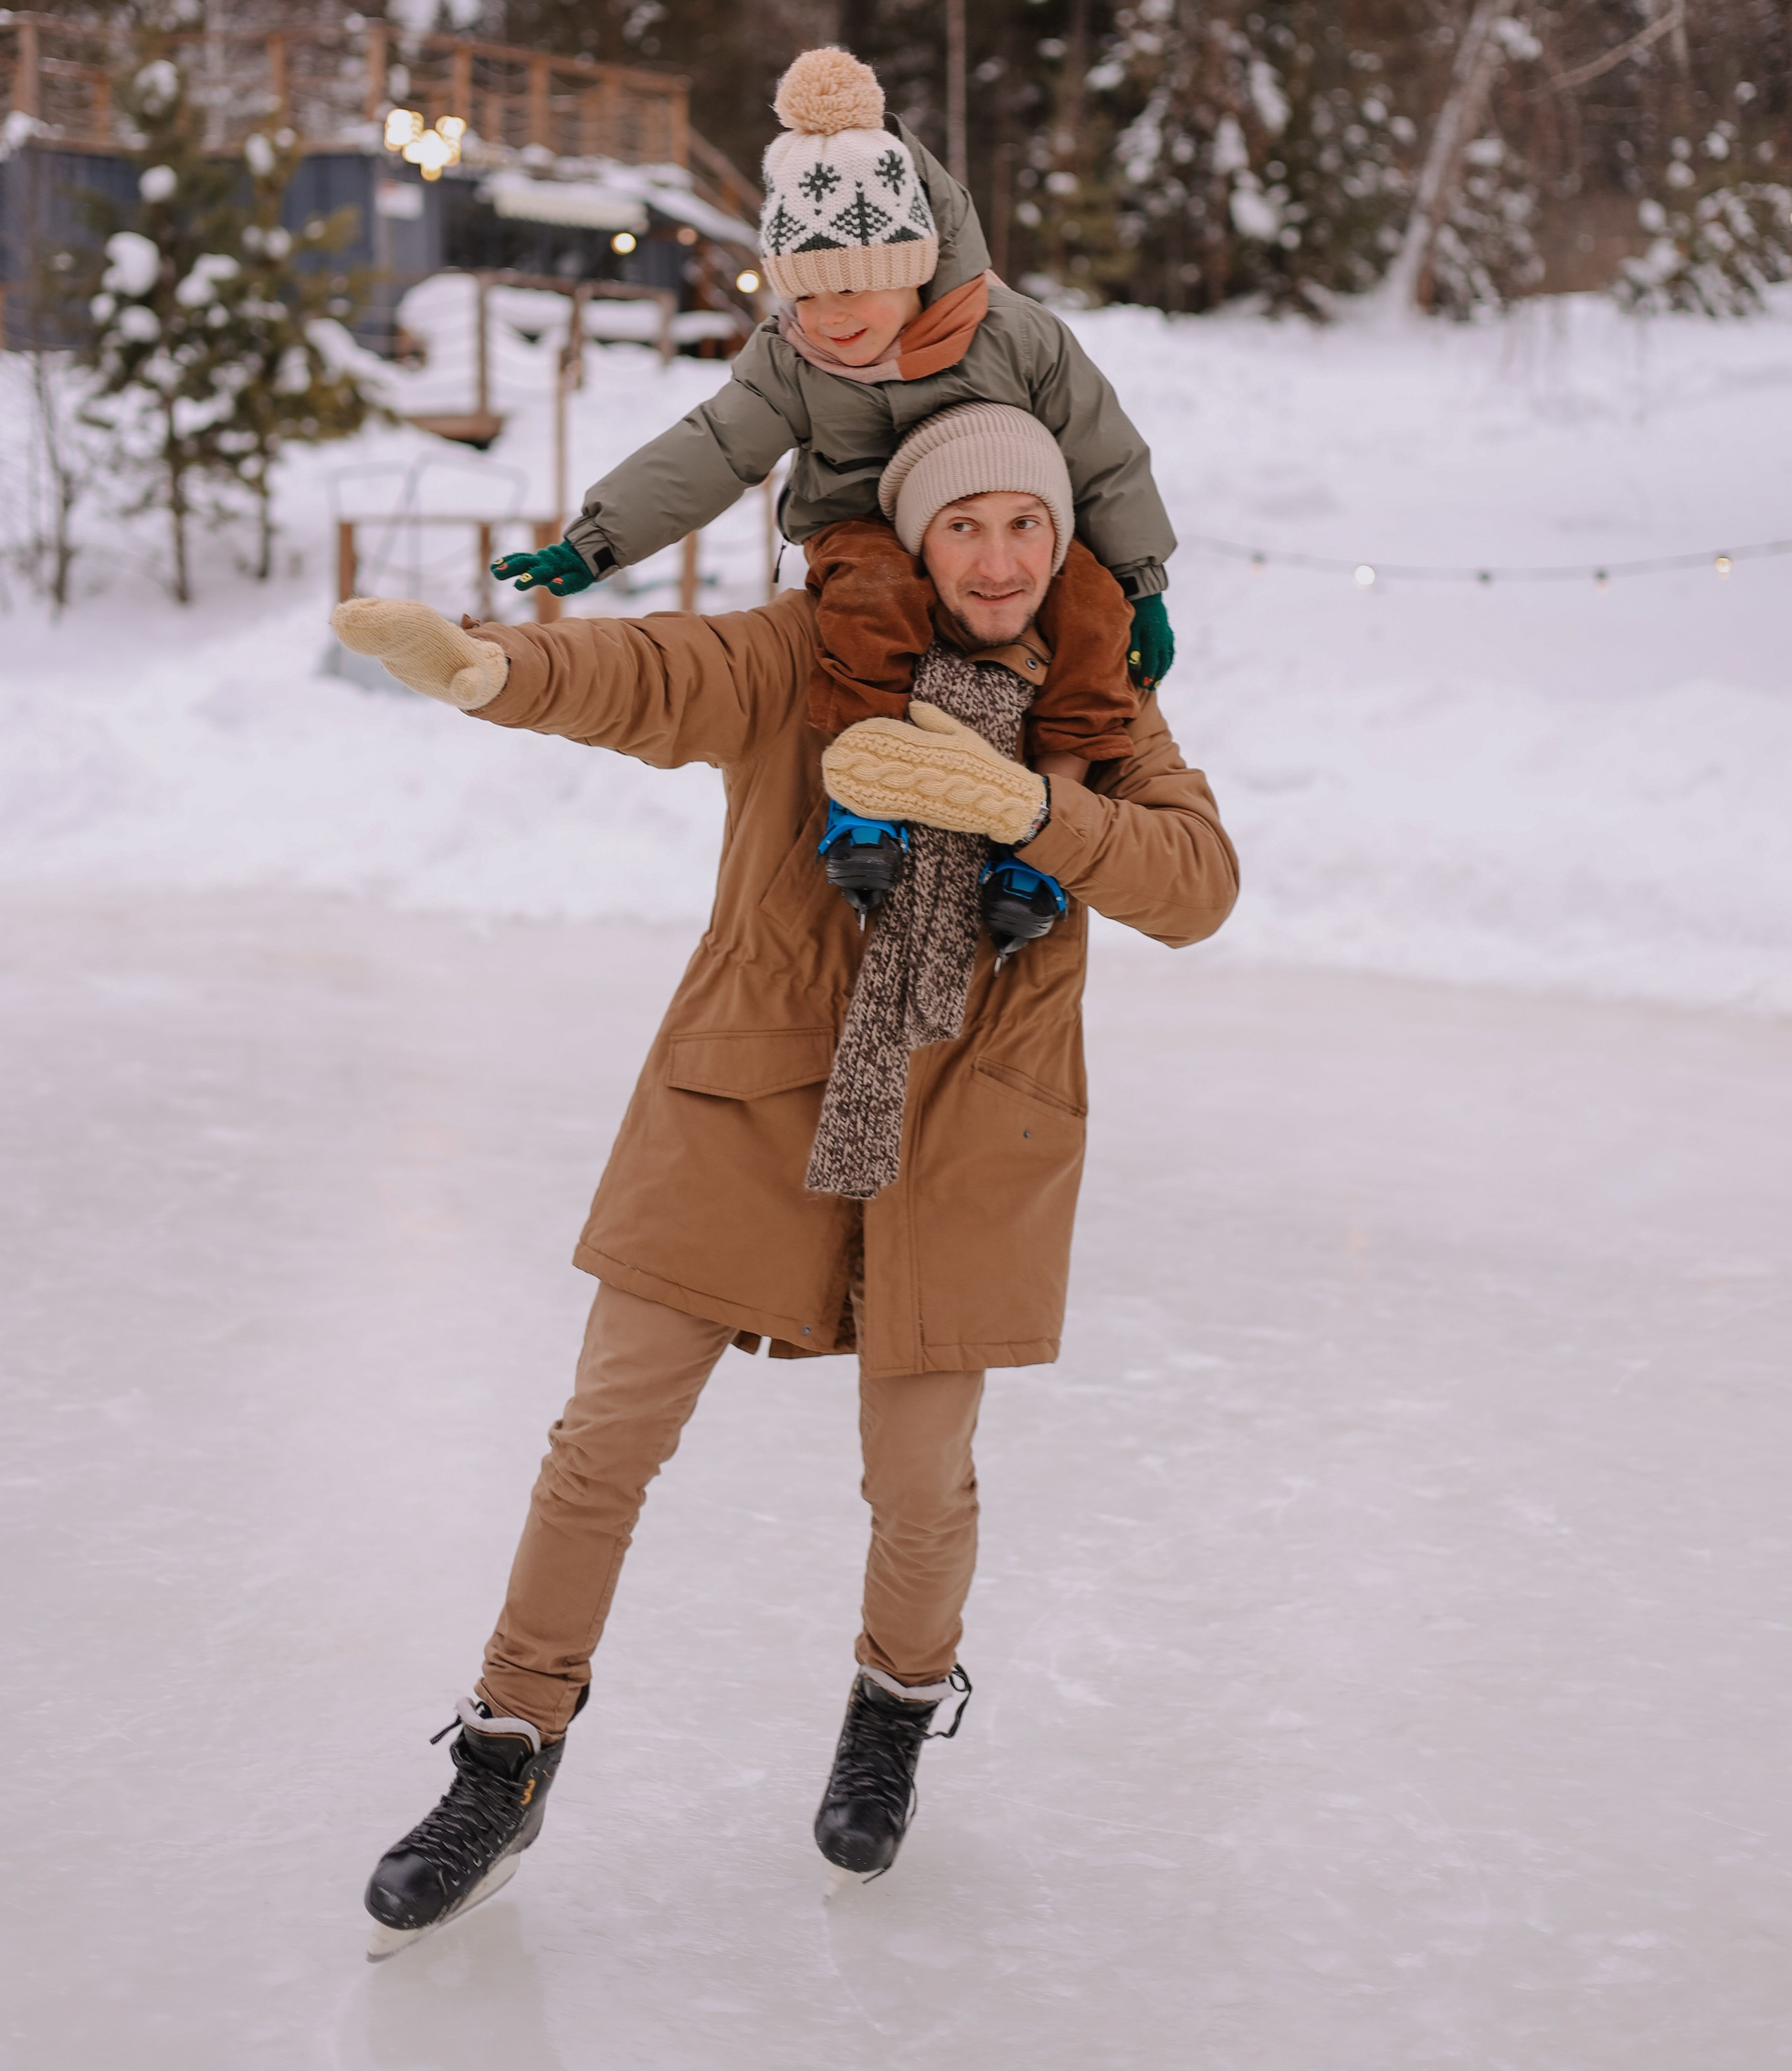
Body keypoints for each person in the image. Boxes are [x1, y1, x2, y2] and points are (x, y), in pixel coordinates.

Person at [331, 404, 1238, 1958]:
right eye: (965, 527)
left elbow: (1196, 885)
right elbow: (654, 674)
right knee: (602, 1438)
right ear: (915, 539)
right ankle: (507, 1750)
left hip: (970, 1147)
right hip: (746, 1100)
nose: (1001, 557)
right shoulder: (805, 657)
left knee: (916, 1480)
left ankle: (892, 1703)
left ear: (1062, 539)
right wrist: (494, 667)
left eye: (1026, 525)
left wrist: (1033, 810)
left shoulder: (1101, 710)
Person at [490, 49, 1180, 923]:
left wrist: (1140, 581)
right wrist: (600, 536)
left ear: (912, 264)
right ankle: (866, 793)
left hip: (994, 525)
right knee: (872, 594)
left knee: (1089, 614)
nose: (832, 319)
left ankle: (1044, 829)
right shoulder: (790, 361)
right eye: (805, 298)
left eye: (854, 287)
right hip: (861, 528)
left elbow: (1103, 451)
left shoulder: (1015, 335)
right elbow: (712, 446)